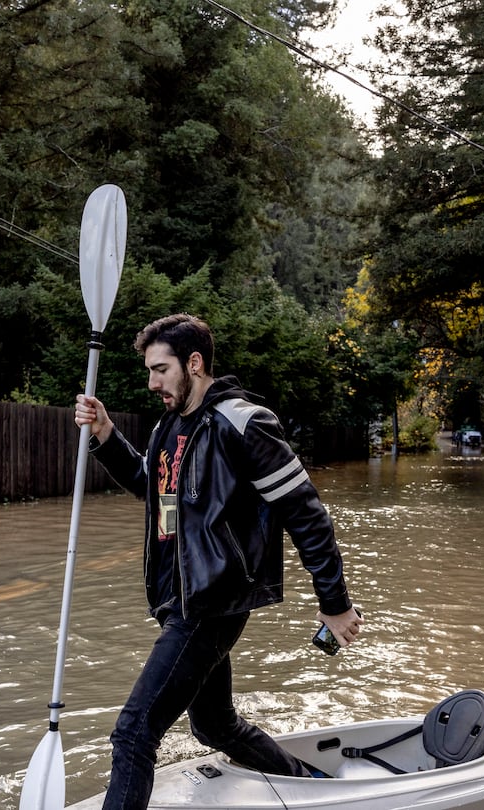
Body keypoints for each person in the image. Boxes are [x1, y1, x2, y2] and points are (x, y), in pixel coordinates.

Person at [73, 313, 363, 809]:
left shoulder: (244, 423)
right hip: (179, 597)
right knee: (214, 725)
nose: (151, 382)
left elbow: (306, 514)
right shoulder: (170, 426)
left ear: (195, 362)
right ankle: (306, 779)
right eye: (149, 371)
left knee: (133, 734)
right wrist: (104, 433)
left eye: (160, 369)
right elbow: (152, 488)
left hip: (212, 603)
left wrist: (334, 603)